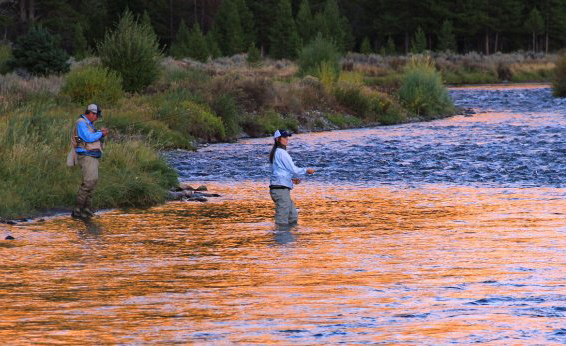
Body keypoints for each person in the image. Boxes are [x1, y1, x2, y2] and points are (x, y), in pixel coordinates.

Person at [69, 104, 108, 219]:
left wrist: (100, 133)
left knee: (93, 181)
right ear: (91, 113)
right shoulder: (81, 122)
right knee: (89, 182)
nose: (97, 118)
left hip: (92, 155)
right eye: (96, 115)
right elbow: (87, 138)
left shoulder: (88, 124)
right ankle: (77, 210)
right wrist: (101, 133)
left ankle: (86, 209)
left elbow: (90, 137)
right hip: (86, 156)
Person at [269, 129, 315, 226]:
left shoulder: (276, 153)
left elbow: (279, 172)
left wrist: (290, 180)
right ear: (277, 139)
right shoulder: (282, 153)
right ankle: (280, 238)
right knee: (282, 221)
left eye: (287, 137)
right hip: (280, 191)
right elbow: (293, 169)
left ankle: (289, 239)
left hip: (279, 189)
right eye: (284, 137)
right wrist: (306, 170)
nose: (287, 139)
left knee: (292, 216)